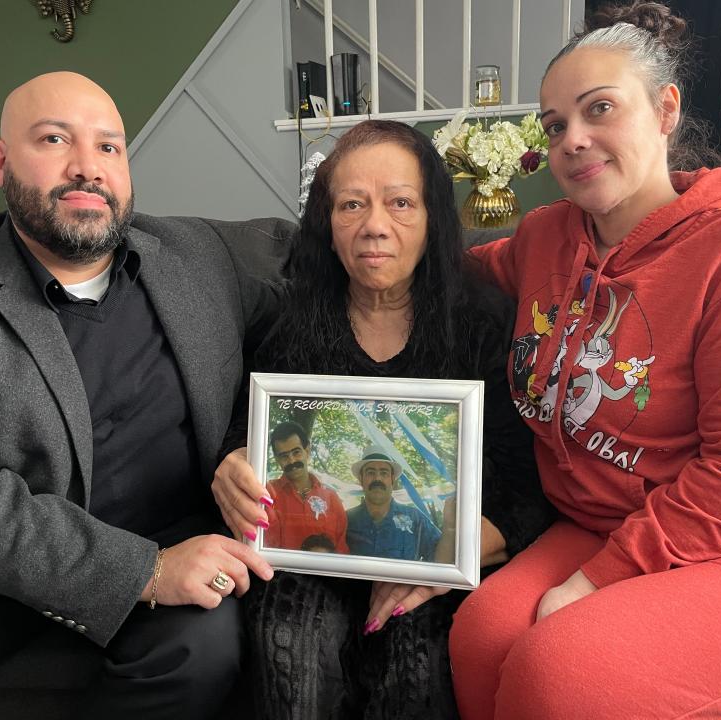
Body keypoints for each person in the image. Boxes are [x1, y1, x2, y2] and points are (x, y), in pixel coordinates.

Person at [0, 71, 283, 720]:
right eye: (55, 139)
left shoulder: (201, 255)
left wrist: (242, 444)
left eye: (109, 147)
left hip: (166, 533)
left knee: (200, 654)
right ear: (0, 163)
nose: (88, 167)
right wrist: (144, 572)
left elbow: (338, 260)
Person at [448, 3, 721, 719]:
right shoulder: (547, 236)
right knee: (481, 636)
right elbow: (451, 274)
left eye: (600, 109)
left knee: (561, 671)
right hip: (603, 519)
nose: (573, 140)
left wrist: (595, 582)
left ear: (665, 109)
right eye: (555, 126)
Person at [211, 119, 555, 719]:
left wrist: (453, 554)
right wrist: (231, 468)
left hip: (446, 555)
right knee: (287, 640)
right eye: (352, 205)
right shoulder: (286, 321)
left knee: (416, 657)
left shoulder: (484, 324)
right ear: (326, 221)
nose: (375, 226)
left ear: (432, 217)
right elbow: (245, 439)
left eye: (400, 202)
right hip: (312, 552)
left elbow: (529, 489)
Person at [346, 445, 444, 561]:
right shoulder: (345, 520)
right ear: (361, 479)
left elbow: (440, 560)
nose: (377, 478)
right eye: (370, 472)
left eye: (384, 473)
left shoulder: (415, 518)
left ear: (392, 479)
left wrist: (450, 528)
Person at [263, 421, 349, 553]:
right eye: (284, 456)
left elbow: (341, 548)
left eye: (296, 452)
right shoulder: (268, 494)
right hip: (281, 572)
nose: (292, 461)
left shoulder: (331, 497)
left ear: (307, 450)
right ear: (277, 459)